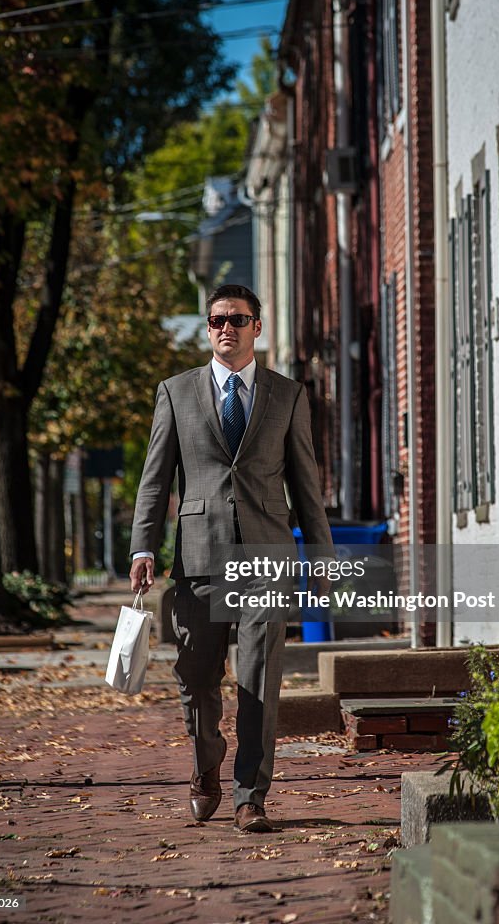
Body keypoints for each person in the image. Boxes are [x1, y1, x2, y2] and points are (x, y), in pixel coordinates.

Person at [129, 284, 332, 833]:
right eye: (217, 320)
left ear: (256, 329)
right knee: (196, 678)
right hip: (197, 559)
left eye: (238, 320)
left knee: (259, 680)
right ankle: (205, 762)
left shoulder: (287, 396)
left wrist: (322, 556)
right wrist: (143, 545)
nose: (226, 328)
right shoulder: (175, 393)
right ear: (208, 327)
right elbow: (155, 480)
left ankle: (251, 797)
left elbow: (306, 485)